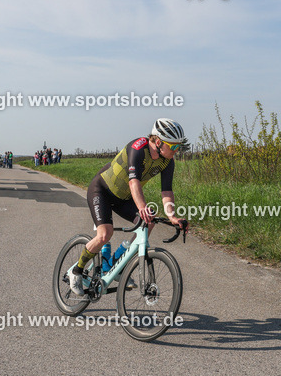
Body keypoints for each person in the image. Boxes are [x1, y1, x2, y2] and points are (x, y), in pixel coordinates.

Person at [67, 118, 189, 296]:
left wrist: (172, 216)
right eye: (174, 147)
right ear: (158, 141)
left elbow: (166, 191)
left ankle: (119, 262)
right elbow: (134, 182)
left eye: (178, 146)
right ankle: (76, 271)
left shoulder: (167, 161)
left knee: (150, 223)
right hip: (102, 191)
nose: (176, 151)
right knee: (104, 234)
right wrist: (142, 207)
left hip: (123, 198)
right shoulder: (138, 148)